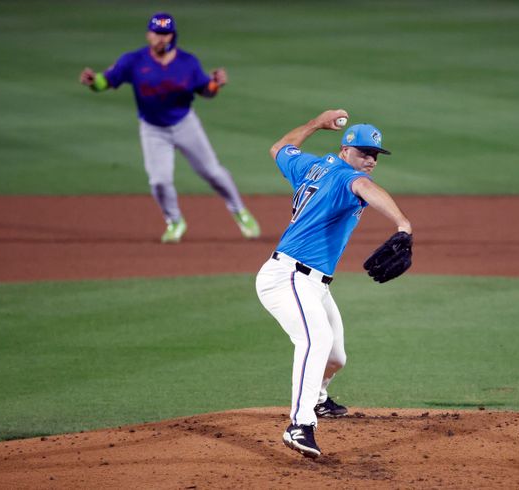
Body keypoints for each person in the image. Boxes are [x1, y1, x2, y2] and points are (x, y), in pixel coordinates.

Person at [255, 109, 413, 459]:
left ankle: (319, 399)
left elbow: (279, 147)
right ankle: (299, 423)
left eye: (374, 155)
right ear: (345, 149)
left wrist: (314, 124)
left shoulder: (311, 165)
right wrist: (403, 223)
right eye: (362, 153)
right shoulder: (347, 177)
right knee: (315, 339)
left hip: (313, 283)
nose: (369, 161)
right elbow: (364, 187)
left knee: (336, 357)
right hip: (288, 277)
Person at [79, 12, 260, 243]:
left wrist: (216, 84)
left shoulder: (187, 62)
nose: (161, 38)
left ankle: (240, 212)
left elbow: (206, 90)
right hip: (153, 129)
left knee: (212, 172)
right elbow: (107, 80)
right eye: (157, 33)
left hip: (185, 124)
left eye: (165, 34)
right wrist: (94, 82)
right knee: (159, 181)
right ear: (148, 34)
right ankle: (174, 221)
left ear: (173, 36)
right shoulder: (133, 61)